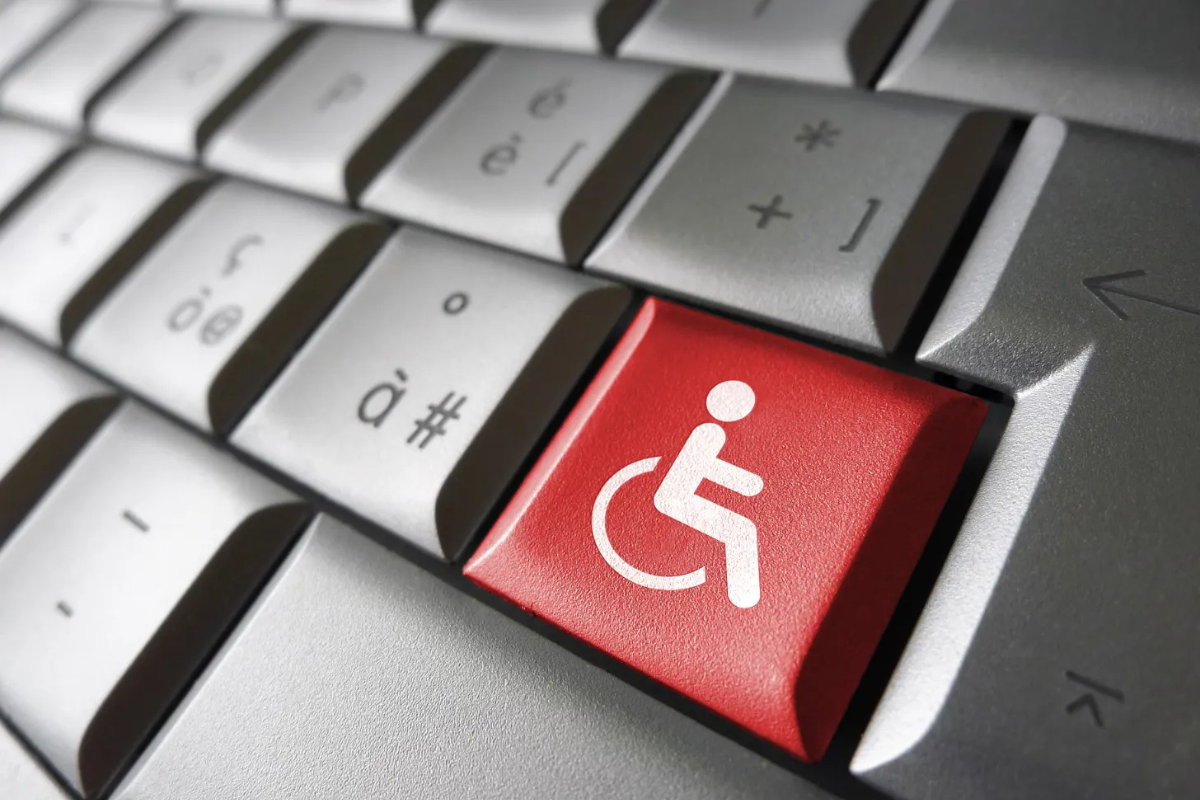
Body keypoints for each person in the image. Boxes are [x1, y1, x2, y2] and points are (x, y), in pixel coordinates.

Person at [654, 380, 763, 609]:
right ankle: (743, 595)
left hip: (683, 496)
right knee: (741, 529)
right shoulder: (708, 431)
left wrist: (746, 484)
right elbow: (700, 470)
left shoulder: (713, 431)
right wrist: (747, 483)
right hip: (676, 499)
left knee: (741, 528)